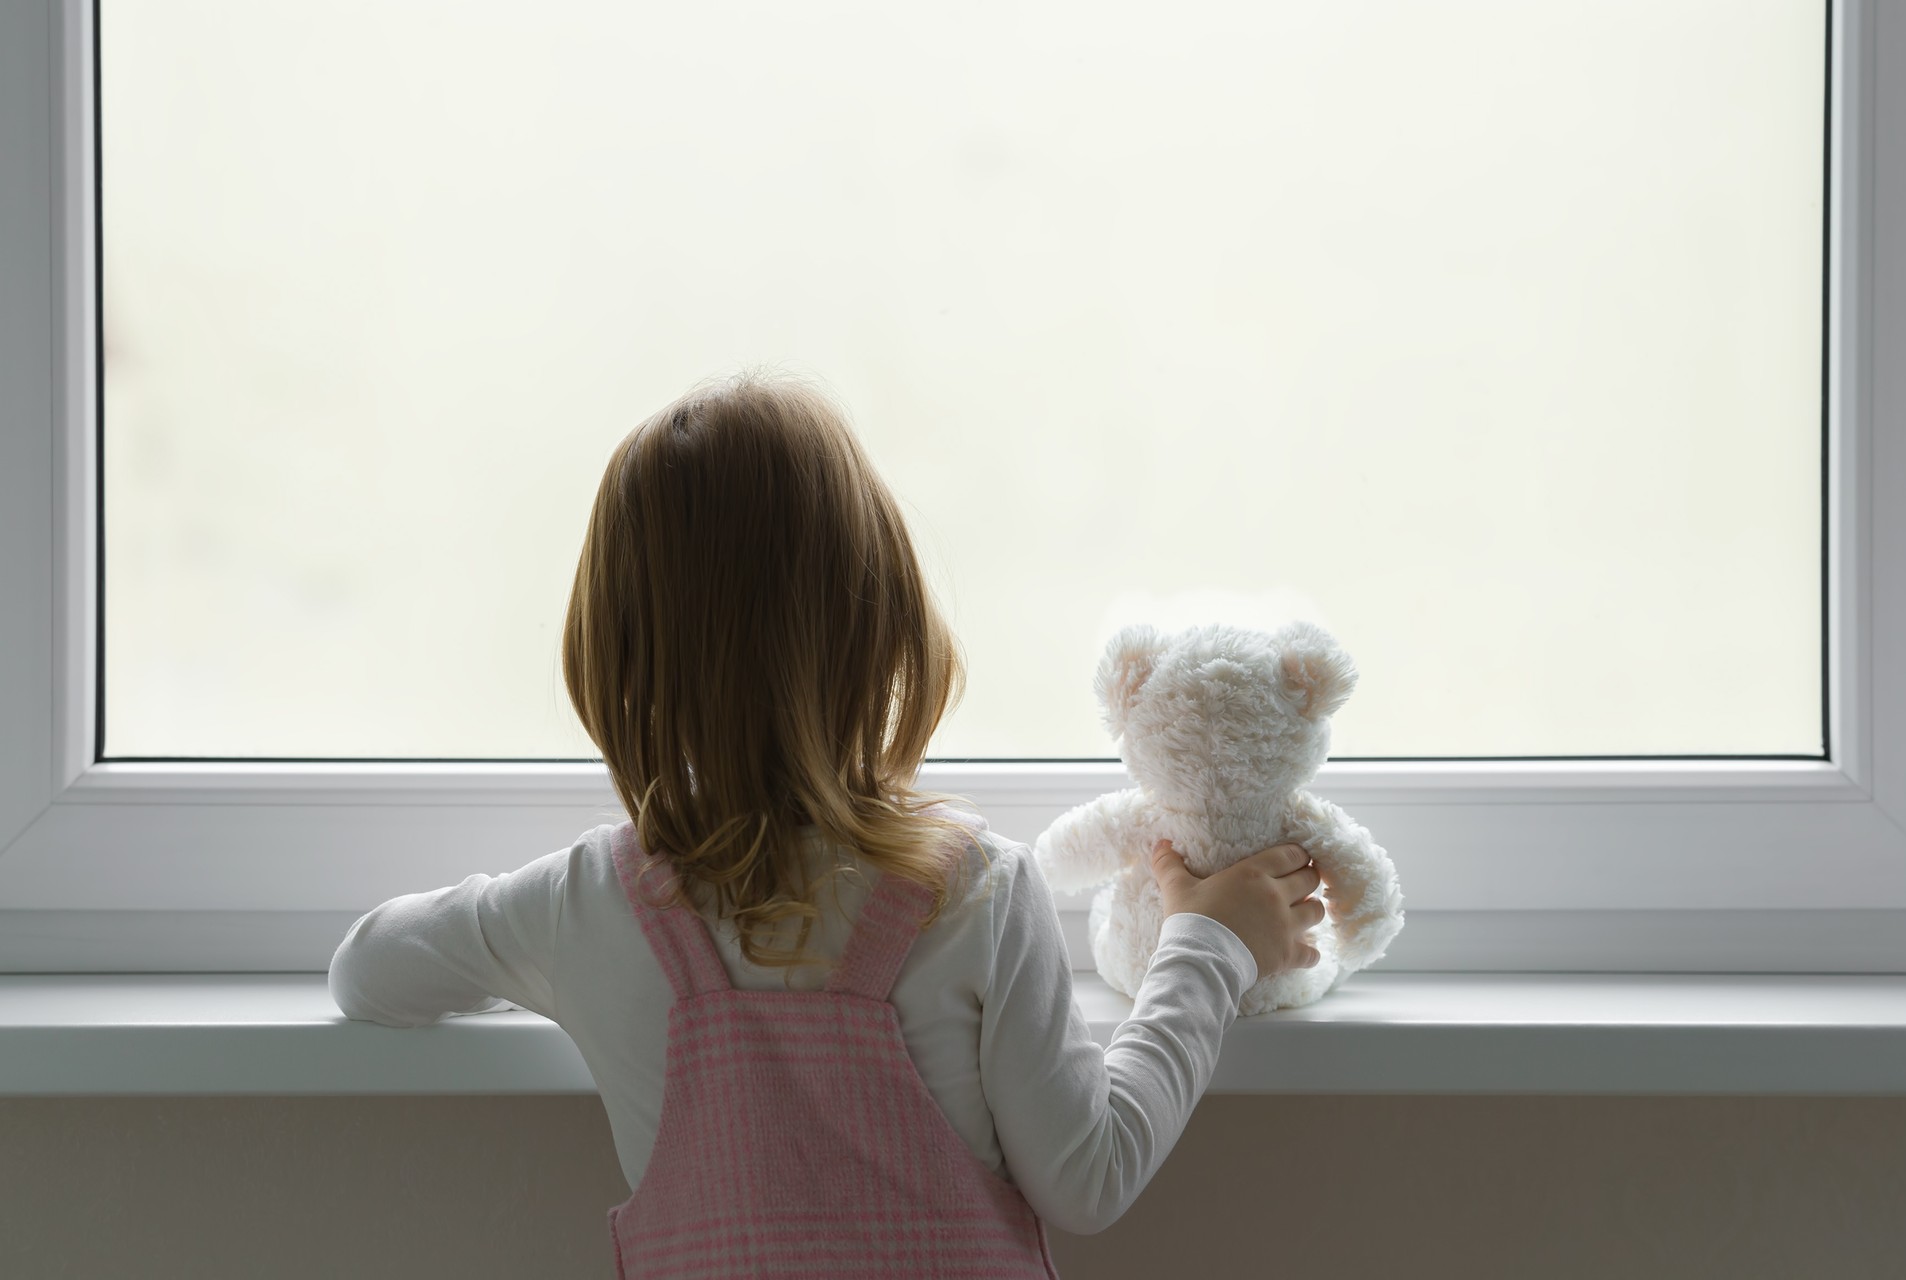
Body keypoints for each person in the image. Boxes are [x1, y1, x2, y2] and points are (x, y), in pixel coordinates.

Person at [328, 372, 1325, 1278]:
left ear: (615, 657)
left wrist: (549, 965)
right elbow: (1088, 1174)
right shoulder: (970, 886)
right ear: (880, 615)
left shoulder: (584, 904)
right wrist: (1206, 941)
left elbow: (368, 968)